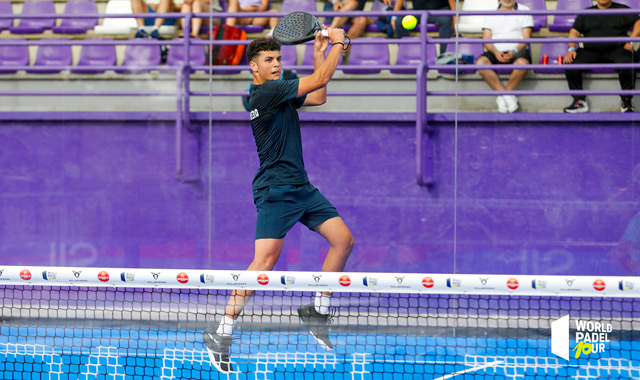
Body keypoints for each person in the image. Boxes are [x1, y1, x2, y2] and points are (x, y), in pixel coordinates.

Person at [202, 31, 354, 374]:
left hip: (302, 187)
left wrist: (319, 51)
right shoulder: (266, 93)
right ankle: (221, 331)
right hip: (275, 189)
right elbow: (323, 78)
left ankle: (317, 309)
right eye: (269, 60)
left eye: (279, 59)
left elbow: (319, 95)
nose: (276, 64)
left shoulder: (281, 91)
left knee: (343, 241)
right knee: (264, 262)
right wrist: (338, 45)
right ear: (253, 67)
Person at [563, 0, 640, 113]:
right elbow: (574, 31)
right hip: (591, 50)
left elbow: (638, 22)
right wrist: (572, 49)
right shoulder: (586, 13)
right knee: (571, 63)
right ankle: (579, 101)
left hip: (617, 50)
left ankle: (626, 101)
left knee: (629, 63)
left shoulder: (622, 9)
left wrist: (631, 41)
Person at [476, 0, 533, 113]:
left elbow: (526, 38)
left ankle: (504, 95)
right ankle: (506, 95)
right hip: (495, 50)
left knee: (522, 64)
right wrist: (495, 52)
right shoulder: (490, 12)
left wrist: (514, 51)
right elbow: (486, 39)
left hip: (517, 50)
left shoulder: (525, 11)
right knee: (481, 63)